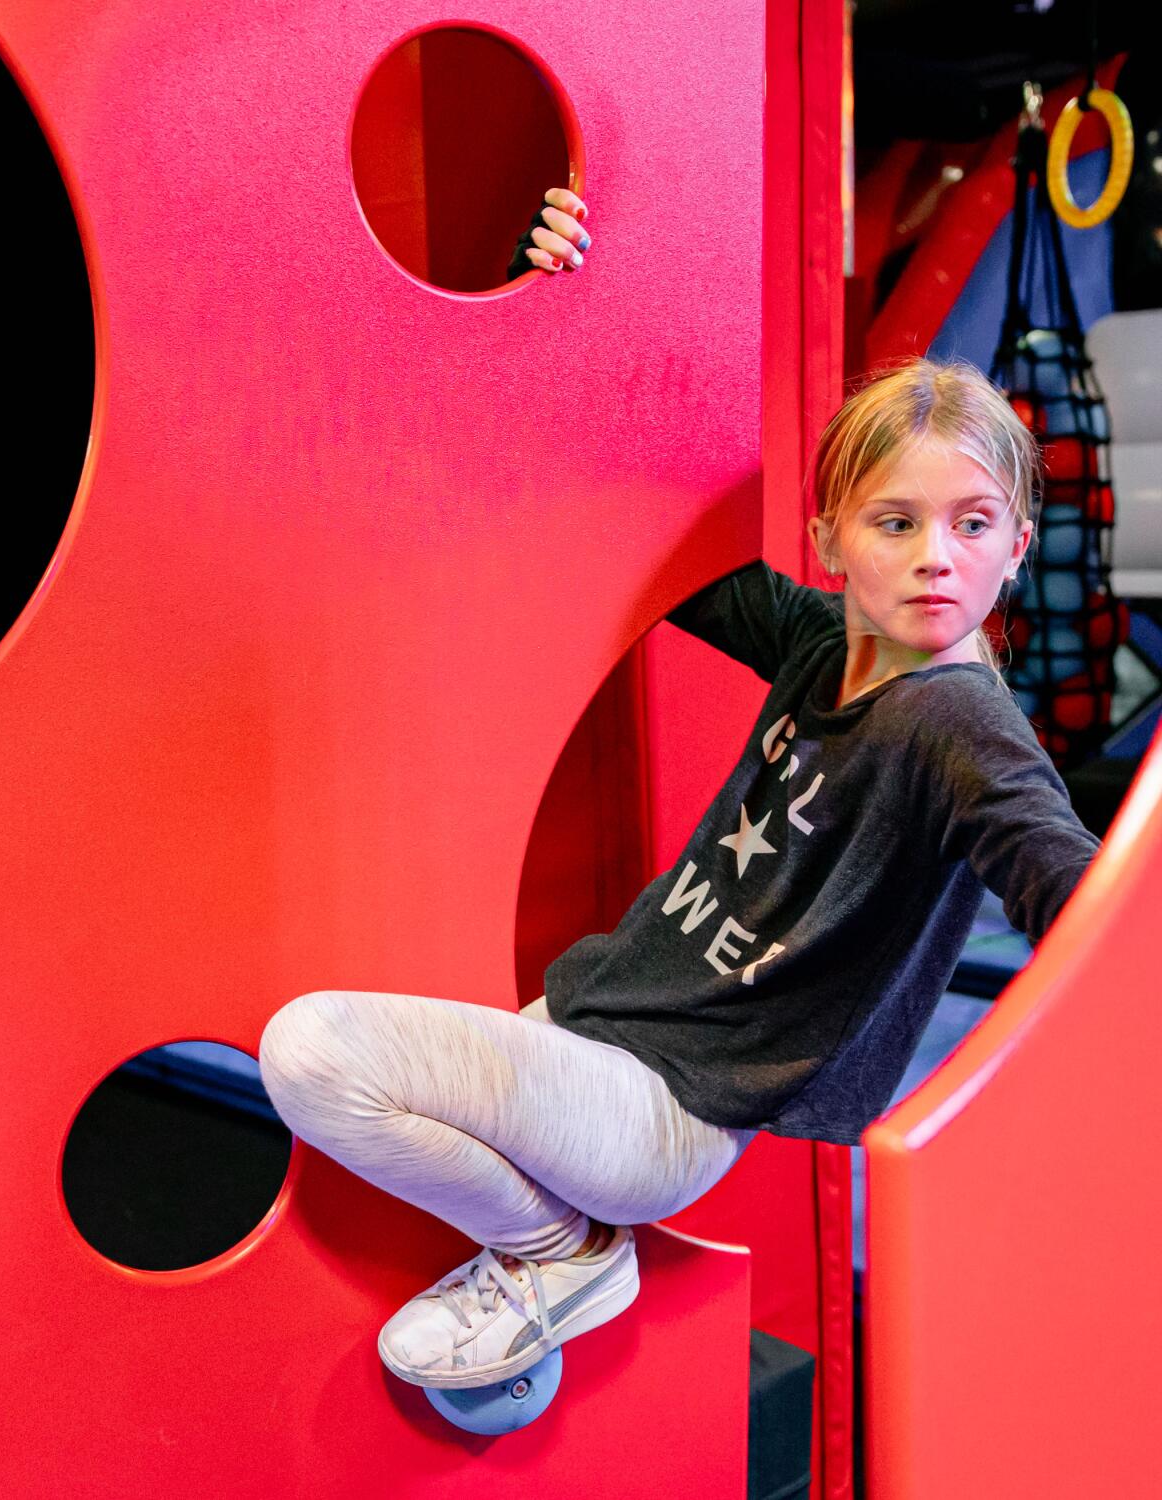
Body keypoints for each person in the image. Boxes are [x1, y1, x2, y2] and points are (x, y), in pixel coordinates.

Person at [257, 198, 1101, 1396]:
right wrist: (539, 284)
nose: (934, 557)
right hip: (596, 1029)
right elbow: (620, 481)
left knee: (313, 1053)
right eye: (896, 523)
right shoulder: (822, 643)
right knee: (389, 1138)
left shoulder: (959, 724)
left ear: (1019, 546)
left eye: (973, 526)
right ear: (829, 539)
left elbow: (1073, 888)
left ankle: (560, 1257)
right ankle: (538, 1297)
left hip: (662, 1107)